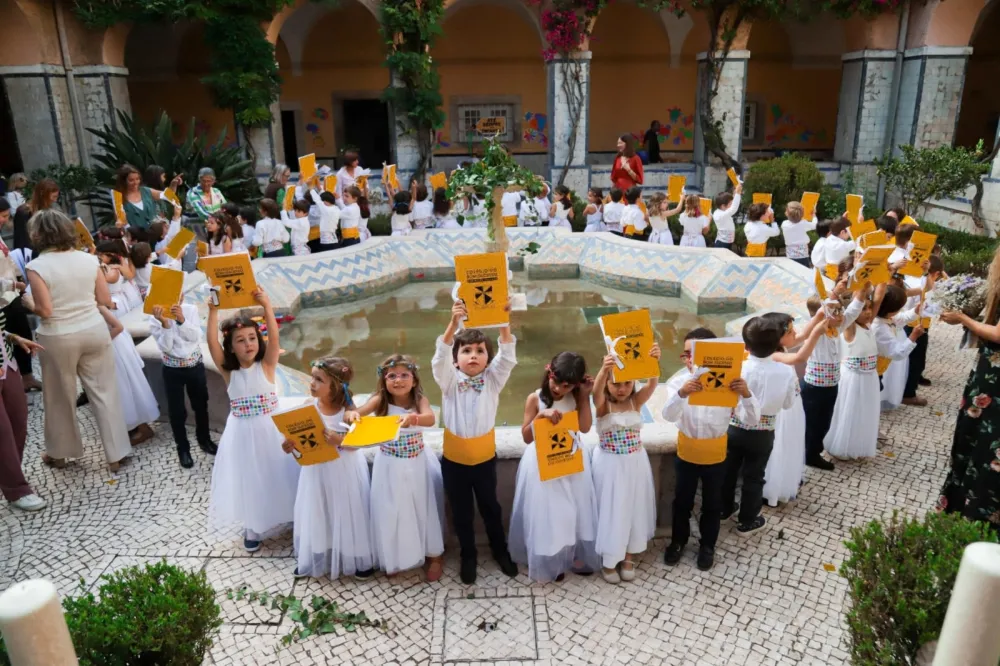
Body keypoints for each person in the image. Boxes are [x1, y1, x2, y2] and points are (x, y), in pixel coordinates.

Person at [25, 210, 132, 473]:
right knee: (105, 391)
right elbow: (105, 299)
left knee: (60, 396)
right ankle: (116, 454)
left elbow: (45, 310)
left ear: (38, 234)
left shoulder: (36, 266)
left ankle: (60, 454)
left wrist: (26, 302)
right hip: (94, 329)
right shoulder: (88, 259)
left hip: (58, 335)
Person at [431, 299, 518, 585]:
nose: (473, 355)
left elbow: (507, 356)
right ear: (456, 359)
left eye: (480, 351)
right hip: (454, 460)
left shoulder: (493, 380)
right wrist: (453, 324)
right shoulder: (449, 382)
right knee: (461, 511)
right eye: (466, 350)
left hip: (483, 459)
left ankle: (500, 550)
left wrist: (504, 322)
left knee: (490, 507)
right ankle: (468, 555)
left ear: (487, 359)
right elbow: (438, 358)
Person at [206, 287, 299, 552]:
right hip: (243, 432)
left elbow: (275, 336)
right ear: (231, 348)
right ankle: (253, 526)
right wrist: (213, 311)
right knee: (250, 477)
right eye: (240, 340)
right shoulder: (228, 371)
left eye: (251, 338)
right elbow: (212, 342)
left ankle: (289, 514)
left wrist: (267, 306)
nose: (248, 344)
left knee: (279, 472)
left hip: (271, 429)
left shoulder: (267, 365)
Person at [662, 328, 758, 571]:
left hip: (716, 454)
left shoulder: (729, 382)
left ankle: (707, 546)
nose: (690, 359)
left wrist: (745, 394)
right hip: (687, 451)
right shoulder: (677, 381)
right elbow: (667, 414)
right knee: (682, 502)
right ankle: (678, 541)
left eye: (695, 353)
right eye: (686, 354)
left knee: (713, 504)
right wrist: (683, 393)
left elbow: (752, 420)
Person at [348, 354, 444, 580]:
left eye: (404, 375)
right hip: (389, 463)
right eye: (392, 376)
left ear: (414, 379)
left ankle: (433, 555)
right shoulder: (379, 400)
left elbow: (430, 418)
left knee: (422, 506)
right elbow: (354, 413)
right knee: (392, 509)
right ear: (383, 380)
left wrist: (415, 419)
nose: (398, 380)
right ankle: (396, 556)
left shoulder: (419, 399)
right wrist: (352, 413)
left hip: (417, 462)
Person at [282, 357, 376, 579]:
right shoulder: (308, 407)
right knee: (318, 507)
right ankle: (316, 554)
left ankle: (356, 557)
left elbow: (358, 444)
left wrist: (339, 440)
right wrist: (289, 445)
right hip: (316, 470)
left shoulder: (349, 411)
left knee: (347, 510)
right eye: (312, 377)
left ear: (334, 386)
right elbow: (300, 444)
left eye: (318, 379)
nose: (312, 383)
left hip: (344, 469)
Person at [509, 352, 598, 583]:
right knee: (549, 512)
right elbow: (527, 437)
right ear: (549, 374)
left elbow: (586, 428)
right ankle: (551, 558)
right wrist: (540, 416)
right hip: (543, 464)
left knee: (573, 510)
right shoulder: (535, 398)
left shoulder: (576, 398)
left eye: (567, 386)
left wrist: (584, 396)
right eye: (556, 382)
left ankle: (571, 555)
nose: (559, 389)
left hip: (571, 460)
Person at [938, 245, 1000, 528]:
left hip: (994, 380)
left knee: (983, 443)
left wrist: (964, 319)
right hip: (988, 374)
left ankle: (973, 513)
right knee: (976, 438)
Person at [720, 316, 797, 535]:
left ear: (745, 346)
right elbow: (789, 403)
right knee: (755, 476)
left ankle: (724, 509)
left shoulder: (738, 368)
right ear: (777, 344)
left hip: (734, 427)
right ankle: (747, 520)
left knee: (729, 471)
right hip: (764, 432)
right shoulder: (785, 371)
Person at [592, 342, 660, 583]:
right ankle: (610, 558)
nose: (622, 389)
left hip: (635, 463)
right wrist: (603, 370)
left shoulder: (636, 402)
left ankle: (628, 555)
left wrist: (652, 360)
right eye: (616, 383)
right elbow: (596, 394)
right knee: (612, 508)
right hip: (610, 465)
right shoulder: (603, 406)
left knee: (632, 507)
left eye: (627, 383)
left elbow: (653, 383)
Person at [758, 311, 828, 506]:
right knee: (781, 443)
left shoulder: (780, 346)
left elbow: (802, 335)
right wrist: (817, 333)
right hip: (783, 409)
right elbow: (799, 358)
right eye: (789, 331)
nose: (794, 333)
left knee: (792, 441)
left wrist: (819, 315)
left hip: (794, 404)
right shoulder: (774, 354)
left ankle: (789, 477)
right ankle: (773, 487)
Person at [149, 302, 217, 469]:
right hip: (172, 369)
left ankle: (204, 439)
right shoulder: (154, 315)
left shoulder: (190, 309)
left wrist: (181, 320)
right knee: (177, 411)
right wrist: (165, 324)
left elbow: (196, 336)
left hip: (194, 366)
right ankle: (183, 448)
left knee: (200, 405)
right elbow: (165, 346)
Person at [801, 292, 863, 471]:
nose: (840, 315)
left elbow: (852, 313)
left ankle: (813, 451)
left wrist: (861, 293)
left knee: (824, 421)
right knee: (812, 423)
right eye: (835, 311)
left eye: (840, 310)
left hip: (831, 385)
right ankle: (809, 454)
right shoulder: (817, 332)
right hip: (814, 387)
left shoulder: (836, 329)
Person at [824, 285, 884, 460]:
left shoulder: (868, 326)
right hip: (853, 377)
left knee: (865, 411)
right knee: (849, 411)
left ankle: (859, 444)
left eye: (869, 308)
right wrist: (862, 287)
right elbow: (853, 308)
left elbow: (878, 300)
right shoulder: (850, 328)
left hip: (870, 377)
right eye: (863, 308)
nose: (867, 312)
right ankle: (842, 446)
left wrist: (883, 279)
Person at [0, 294, 45, 511]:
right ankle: (17, 488)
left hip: (7, 364)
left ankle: (8, 475)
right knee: (3, 432)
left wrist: (12, 338)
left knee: (19, 421)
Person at [98, 304, 158, 446]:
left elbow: (118, 327)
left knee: (127, 388)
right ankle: (131, 426)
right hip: (108, 350)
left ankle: (142, 427)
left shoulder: (98, 306)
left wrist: (98, 344)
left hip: (114, 349)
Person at [0, 199, 41, 392]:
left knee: (23, 331)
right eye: (3, 216)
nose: (5, 220)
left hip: (12, 293)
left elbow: (7, 258)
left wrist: (19, 279)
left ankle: (28, 377)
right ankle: (11, 384)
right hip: (2, 297)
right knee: (8, 337)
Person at [874, 284, 923, 411]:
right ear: (891, 309)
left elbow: (901, 318)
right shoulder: (880, 328)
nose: (900, 311)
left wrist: (915, 311)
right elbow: (897, 353)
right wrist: (913, 336)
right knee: (874, 394)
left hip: (878, 370)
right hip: (873, 372)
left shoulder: (884, 318)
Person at [902, 255, 943, 406]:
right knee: (915, 362)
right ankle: (908, 393)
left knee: (913, 360)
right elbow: (932, 294)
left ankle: (908, 388)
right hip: (915, 325)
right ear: (936, 274)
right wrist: (928, 274)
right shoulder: (924, 281)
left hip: (914, 324)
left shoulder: (914, 278)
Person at [116, 164, 180, 231]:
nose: (135, 182)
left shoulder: (146, 191)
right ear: (124, 181)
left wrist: (173, 184)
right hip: (136, 238)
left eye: (137, 179)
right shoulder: (119, 198)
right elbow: (121, 224)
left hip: (156, 236)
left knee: (185, 237)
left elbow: (167, 196)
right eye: (131, 180)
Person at [781, 202, 817, 267]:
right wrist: (814, 215)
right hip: (803, 255)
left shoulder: (784, 224)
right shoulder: (803, 223)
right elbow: (815, 225)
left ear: (787, 214)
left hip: (790, 255)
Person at [712, 183, 742, 251]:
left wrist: (736, 193)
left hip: (727, 242)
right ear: (723, 206)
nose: (732, 205)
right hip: (722, 244)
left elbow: (733, 206)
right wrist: (737, 194)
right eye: (730, 204)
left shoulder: (722, 212)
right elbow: (733, 209)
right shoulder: (719, 215)